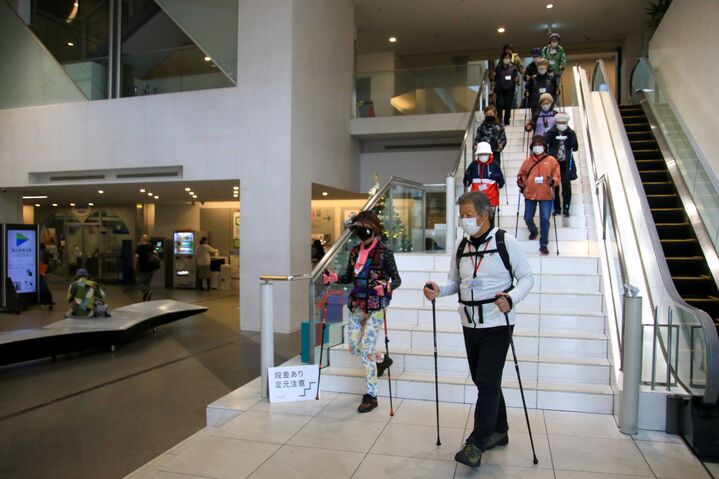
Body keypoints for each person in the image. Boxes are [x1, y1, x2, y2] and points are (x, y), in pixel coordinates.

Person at [423, 191, 534, 468]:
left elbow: (526, 278)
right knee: (484, 380)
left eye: (469, 215)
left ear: (484, 215)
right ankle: (500, 430)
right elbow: (455, 282)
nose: (464, 220)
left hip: (498, 323)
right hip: (469, 322)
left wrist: (511, 298)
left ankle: (477, 442)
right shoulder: (461, 246)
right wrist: (438, 290)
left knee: (486, 380)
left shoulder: (506, 241)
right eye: (462, 215)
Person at [323, 211, 401, 413]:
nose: (361, 232)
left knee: (365, 348)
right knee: (354, 347)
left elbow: (397, 280)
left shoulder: (385, 252)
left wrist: (387, 287)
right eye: (358, 228)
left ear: (374, 228)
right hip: (357, 304)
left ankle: (371, 395)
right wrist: (334, 278)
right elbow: (349, 277)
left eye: (365, 228)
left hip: (375, 305)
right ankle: (381, 359)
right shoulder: (354, 251)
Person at [517, 135, 561, 255]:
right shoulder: (527, 161)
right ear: (532, 147)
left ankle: (543, 244)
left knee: (545, 219)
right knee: (527, 217)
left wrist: (553, 181)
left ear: (544, 147)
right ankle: (534, 230)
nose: (537, 147)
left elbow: (557, 175)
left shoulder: (551, 160)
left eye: (540, 145)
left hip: (546, 193)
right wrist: (521, 181)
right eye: (535, 145)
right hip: (530, 193)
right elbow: (521, 174)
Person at [546, 112, 579, 216]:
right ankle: (557, 208)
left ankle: (566, 208)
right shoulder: (551, 133)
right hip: (554, 164)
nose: (562, 124)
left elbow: (575, 148)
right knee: (555, 186)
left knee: (566, 186)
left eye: (564, 122)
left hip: (566, 163)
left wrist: (571, 141)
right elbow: (546, 143)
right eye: (560, 122)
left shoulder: (571, 133)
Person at [464, 142, 505, 206]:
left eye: (485, 154)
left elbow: (501, 181)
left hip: (491, 199)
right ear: (478, 154)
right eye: (481, 154)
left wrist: (499, 181)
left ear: (489, 154)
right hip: (476, 199)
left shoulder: (494, 165)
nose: (483, 156)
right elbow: (466, 180)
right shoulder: (473, 165)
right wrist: (467, 179)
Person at [493, 52, 520, 125]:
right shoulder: (498, 68)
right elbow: (494, 78)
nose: (506, 59)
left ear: (510, 59)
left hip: (510, 89)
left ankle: (506, 120)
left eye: (508, 58)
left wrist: (517, 80)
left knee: (508, 105)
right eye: (505, 58)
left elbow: (517, 78)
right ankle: (499, 119)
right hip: (500, 89)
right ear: (502, 59)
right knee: (499, 104)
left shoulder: (514, 68)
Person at [134, 234, 157, 301]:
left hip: (143, 267)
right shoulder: (151, 246)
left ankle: (147, 292)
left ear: (142, 239)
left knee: (139, 282)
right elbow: (155, 254)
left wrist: (134, 264)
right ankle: (146, 298)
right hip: (151, 267)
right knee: (147, 283)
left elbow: (136, 256)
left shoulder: (140, 247)